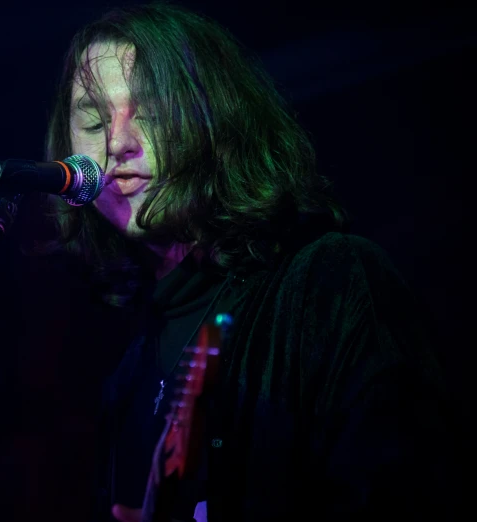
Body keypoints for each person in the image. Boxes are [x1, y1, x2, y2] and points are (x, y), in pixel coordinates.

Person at [39, 3, 456, 521]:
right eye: (96, 120)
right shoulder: (125, 381)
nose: (118, 143)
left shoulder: (332, 284)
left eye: (148, 112)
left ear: (219, 120)